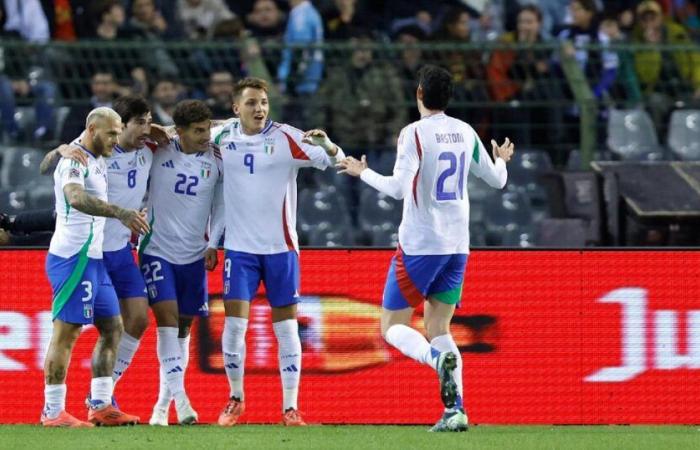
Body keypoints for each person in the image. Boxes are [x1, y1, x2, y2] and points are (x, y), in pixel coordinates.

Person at [336, 65, 514, 432]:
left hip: (421, 245)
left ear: (419, 93)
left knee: (392, 326)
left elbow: (398, 189)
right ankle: (456, 410)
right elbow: (497, 181)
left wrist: (361, 172)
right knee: (439, 326)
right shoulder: (465, 131)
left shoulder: (414, 134)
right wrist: (501, 159)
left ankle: (436, 362)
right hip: (457, 246)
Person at [211, 77, 345, 427]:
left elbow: (336, 161)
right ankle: (235, 399)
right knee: (234, 328)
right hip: (239, 251)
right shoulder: (223, 137)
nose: (260, 109)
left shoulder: (287, 137)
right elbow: (186, 136)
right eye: (252, 103)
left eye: (264, 103)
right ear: (236, 107)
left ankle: (290, 408)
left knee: (286, 331)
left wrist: (329, 146)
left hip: (281, 250)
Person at [41, 107, 150, 427]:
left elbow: (47, 162)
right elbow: (75, 198)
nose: (117, 140)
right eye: (112, 133)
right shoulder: (75, 160)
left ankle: (101, 404)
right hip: (73, 258)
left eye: (119, 133)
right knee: (67, 333)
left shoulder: (96, 153)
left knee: (113, 327)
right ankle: (52, 411)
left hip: (95, 258)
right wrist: (120, 212)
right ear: (92, 129)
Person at [139, 100, 224, 426]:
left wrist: (213, 243)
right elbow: (121, 133)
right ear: (181, 132)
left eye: (207, 128)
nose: (206, 135)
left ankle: (162, 407)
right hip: (156, 249)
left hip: (193, 255)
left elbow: (222, 206)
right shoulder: (158, 148)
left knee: (183, 329)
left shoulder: (217, 159)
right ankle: (183, 401)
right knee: (167, 321)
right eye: (199, 131)